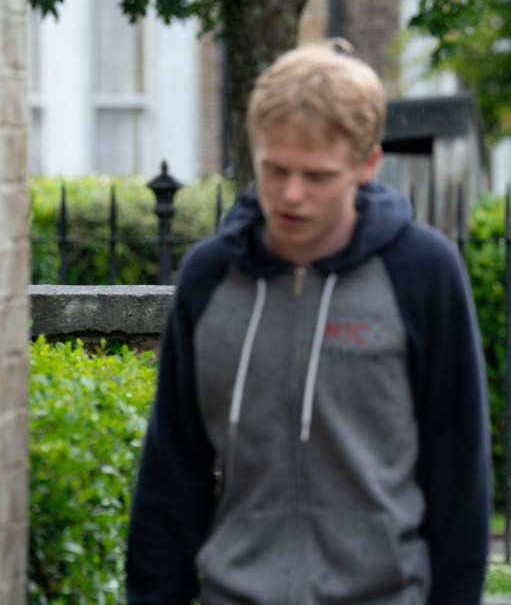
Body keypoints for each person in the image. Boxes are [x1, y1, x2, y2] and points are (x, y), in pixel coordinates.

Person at [126, 40, 492, 604]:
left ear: (366, 164)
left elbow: (458, 478)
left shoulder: (423, 271)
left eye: (317, 176)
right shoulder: (208, 277)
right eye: (275, 170)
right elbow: (172, 475)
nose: (291, 195)